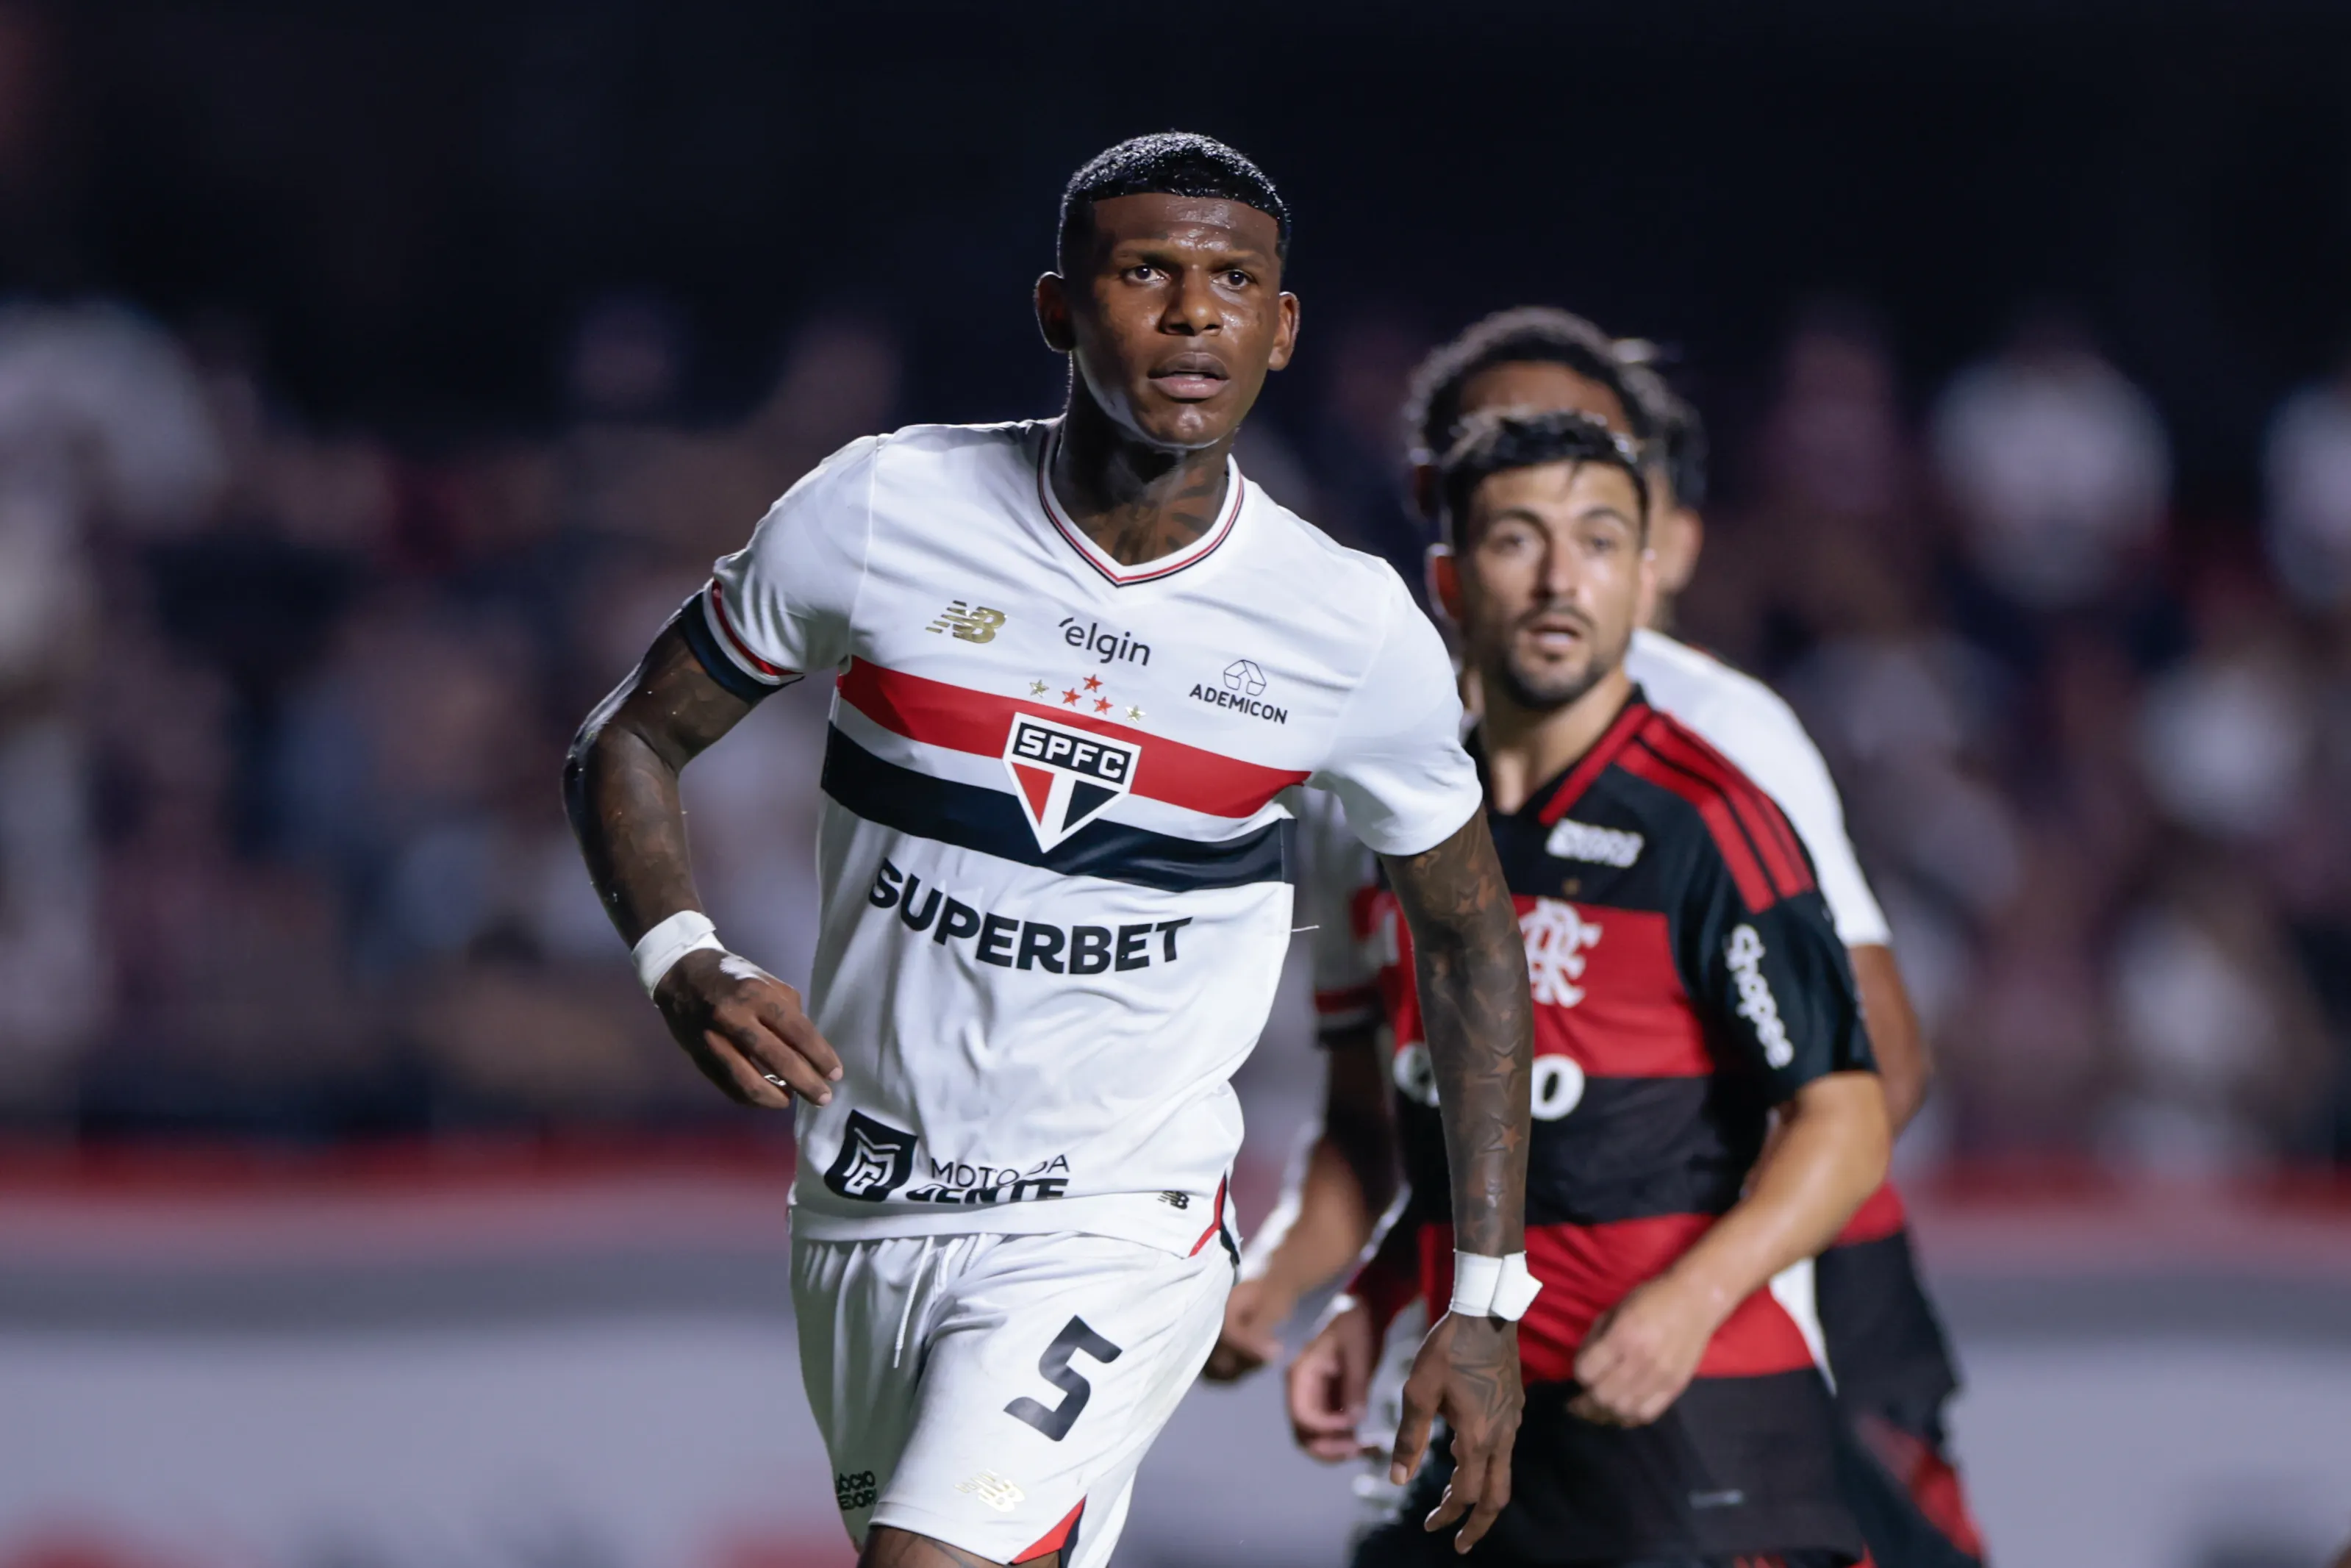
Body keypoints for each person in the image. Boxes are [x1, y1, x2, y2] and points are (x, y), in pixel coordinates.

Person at [563, 133, 1537, 1568]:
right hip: (862, 1207)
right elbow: (630, 738)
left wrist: (1487, 1297)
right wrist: (681, 955)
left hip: (1112, 1225)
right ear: (1059, 308)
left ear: (1283, 329)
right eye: (1148, 272)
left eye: (1234, 282)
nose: (1194, 314)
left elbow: (1468, 939)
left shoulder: (1345, 628)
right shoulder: (885, 511)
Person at [1214, 309, 1988, 1566]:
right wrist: (1356, 1284)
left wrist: (1679, 1283)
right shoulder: (1370, 800)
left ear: (1654, 546)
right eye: (1514, 495)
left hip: (1770, 1329)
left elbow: (1871, 1073)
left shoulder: (1727, 753)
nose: (1559, 558)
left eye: (1598, 508)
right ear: (1448, 533)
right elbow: (1401, 1114)